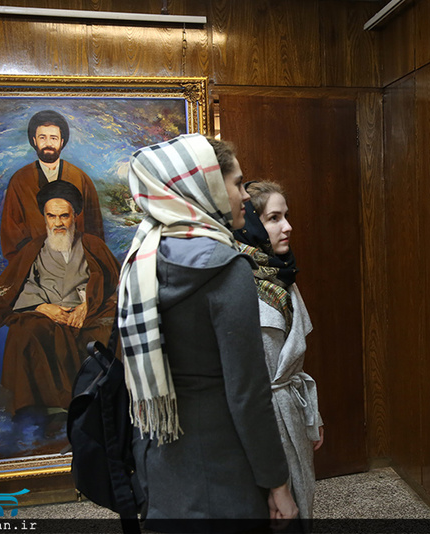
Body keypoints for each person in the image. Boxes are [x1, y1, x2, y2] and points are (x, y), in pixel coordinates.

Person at [120, 134, 298, 531]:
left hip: (159, 461)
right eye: (236, 184)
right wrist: (278, 483)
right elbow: (248, 394)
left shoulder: (141, 259)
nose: (246, 197)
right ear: (208, 188)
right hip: (222, 470)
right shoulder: (224, 267)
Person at [0, 180, 120, 433]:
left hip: (88, 312)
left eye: (64, 216)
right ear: (44, 217)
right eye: (51, 216)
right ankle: (47, 407)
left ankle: (105, 402)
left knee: (110, 327)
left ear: (75, 217)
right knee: (27, 330)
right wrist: (43, 307)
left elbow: (113, 282)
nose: (58, 223)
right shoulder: (33, 250)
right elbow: (20, 288)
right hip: (47, 313)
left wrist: (87, 304)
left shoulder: (92, 244)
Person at [233, 181, 324, 523]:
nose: (287, 227)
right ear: (251, 224)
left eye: (286, 216)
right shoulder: (237, 283)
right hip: (262, 425)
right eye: (274, 218)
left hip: (289, 408)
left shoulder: (282, 277)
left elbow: (293, 365)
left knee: (300, 504)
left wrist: (312, 416)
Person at [0, 110, 105, 262]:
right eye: (42, 138)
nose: (48, 143)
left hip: (77, 262)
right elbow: (12, 232)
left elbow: (94, 227)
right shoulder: (20, 180)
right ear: (34, 140)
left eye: (53, 138)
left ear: (62, 142)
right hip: (34, 263)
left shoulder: (80, 178)